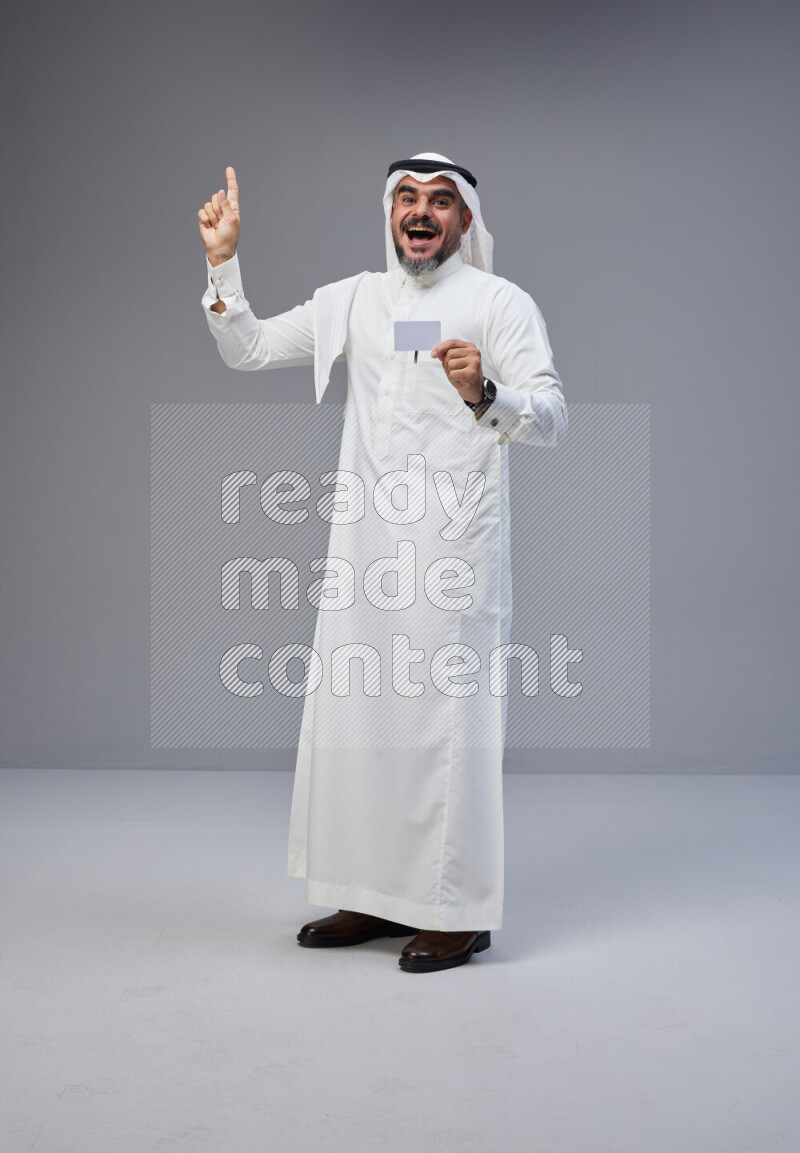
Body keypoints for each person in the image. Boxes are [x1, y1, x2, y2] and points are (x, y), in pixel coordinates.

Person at [198, 153, 567, 973]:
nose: (422, 212)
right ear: (390, 212)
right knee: (360, 721)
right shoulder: (355, 302)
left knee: (447, 728)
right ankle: (368, 893)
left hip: (452, 556)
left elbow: (551, 415)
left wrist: (487, 394)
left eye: (441, 201)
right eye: (408, 198)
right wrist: (223, 263)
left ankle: (457, 910)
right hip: (364, 555)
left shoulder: (499, 303)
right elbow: (249, 349)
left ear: (465, 220)